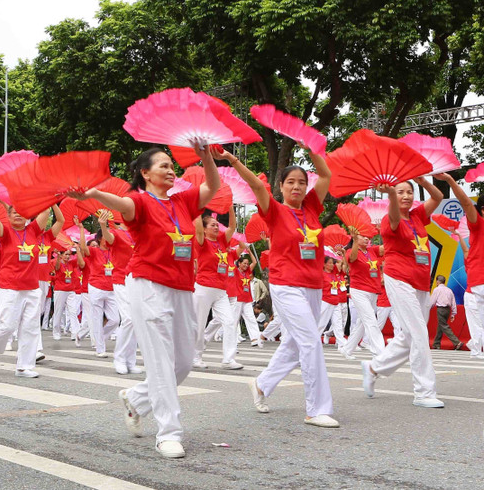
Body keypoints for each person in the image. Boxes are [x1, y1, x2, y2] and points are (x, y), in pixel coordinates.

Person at [71, 145, 219, 459]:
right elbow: (121, 203)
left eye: (172, 166)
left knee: (184, 362)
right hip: (148, 286)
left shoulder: (182, 201)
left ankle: (137, 399)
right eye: (163, 166)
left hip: (181, 288)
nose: (170, 170)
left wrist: (206, 155)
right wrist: (93, 193)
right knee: (162, 361)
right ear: (145, 173)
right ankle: (169, 433)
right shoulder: (138, 201)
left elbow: (213, 187)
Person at [223, 145, 339, 428]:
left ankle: (262, 384)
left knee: (294, 343)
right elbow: (256, 186)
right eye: (291, 182)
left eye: (302, 182)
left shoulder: (312, 208)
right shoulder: (273, 210)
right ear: (281, 186)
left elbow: (325, 175)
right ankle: (317, 408)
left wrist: (312, 151)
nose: (297, 187)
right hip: (286, 285)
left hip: (313, 285)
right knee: (311, 341)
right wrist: (233, 160)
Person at [362, 175, 446, 408]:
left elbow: (437, 196)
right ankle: (424, 392)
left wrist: (421, 180)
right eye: (400, 192)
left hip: (421, 281)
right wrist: (389, 193)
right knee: (419, 333)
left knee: (409, 336)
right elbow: (393, 214)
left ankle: (373, 368)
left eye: (409, 191)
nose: (406, 195)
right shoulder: (391, 221)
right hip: (399, 279)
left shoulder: (418, 215)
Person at [0, 184, 64, 378]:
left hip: (32, 287)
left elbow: (47, 211)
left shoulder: (33, 230)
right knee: (7, 324)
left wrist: (45, 192)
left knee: (31, 327)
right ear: (7, 217)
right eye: (13, 212)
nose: (18, 214)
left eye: (21, 211)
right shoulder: (6, 232)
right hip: (9, 285)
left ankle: (24, 366)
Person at [191, 207, 241, 370]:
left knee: (229, 321)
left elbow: (232, 228)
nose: (215, 226)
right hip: (203, 288)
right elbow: (197, 227)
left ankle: (228, 359)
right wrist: (196, 205)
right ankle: (195, 356)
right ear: (204, 229)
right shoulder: (201, 241)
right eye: (211, 224)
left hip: (221, 290)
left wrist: (231, 208)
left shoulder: (221, 241)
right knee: (199, 324)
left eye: (216, 224)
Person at [76, 211, 120, 360]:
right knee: (96, 318)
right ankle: (100, 348)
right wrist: (82, 230)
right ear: (101, 239)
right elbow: (83, 247)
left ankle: (99, 335)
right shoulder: (94, 252)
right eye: (106, 236)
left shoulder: (114, 252)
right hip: (96, 286)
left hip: (111, 289)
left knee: (115, 320)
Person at [448, 175, 484, 359]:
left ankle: (476, 348)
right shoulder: (479, 225)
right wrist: (451, 181)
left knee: (478, 322)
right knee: (477, 321)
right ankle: (476, 349)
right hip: (477, 285)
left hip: (476, 286)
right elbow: (468, 204)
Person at [341, 233, 386, 359]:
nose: (367, 238)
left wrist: (382, 231)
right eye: (363, 236)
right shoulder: (350, 251)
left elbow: (387, 247)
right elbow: (353, 258)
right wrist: (355, 241)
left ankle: (347, 349)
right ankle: (380, 352)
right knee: (371, 320)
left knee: (362, 322)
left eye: (368, 237)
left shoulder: (372, 250)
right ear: (355, 238)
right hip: (359, 290)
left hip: (373, 291)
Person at [430, 275, 463, 350]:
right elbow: (453, 302)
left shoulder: (437, 290)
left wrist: (427, 308)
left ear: (438, 281)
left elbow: (432, 301)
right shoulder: (449, 290)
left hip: (441, 309)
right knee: (440, 325)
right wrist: (453, 313)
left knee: (444, 326)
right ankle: (436, 344)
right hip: (448, 310)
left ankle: (457, 342)